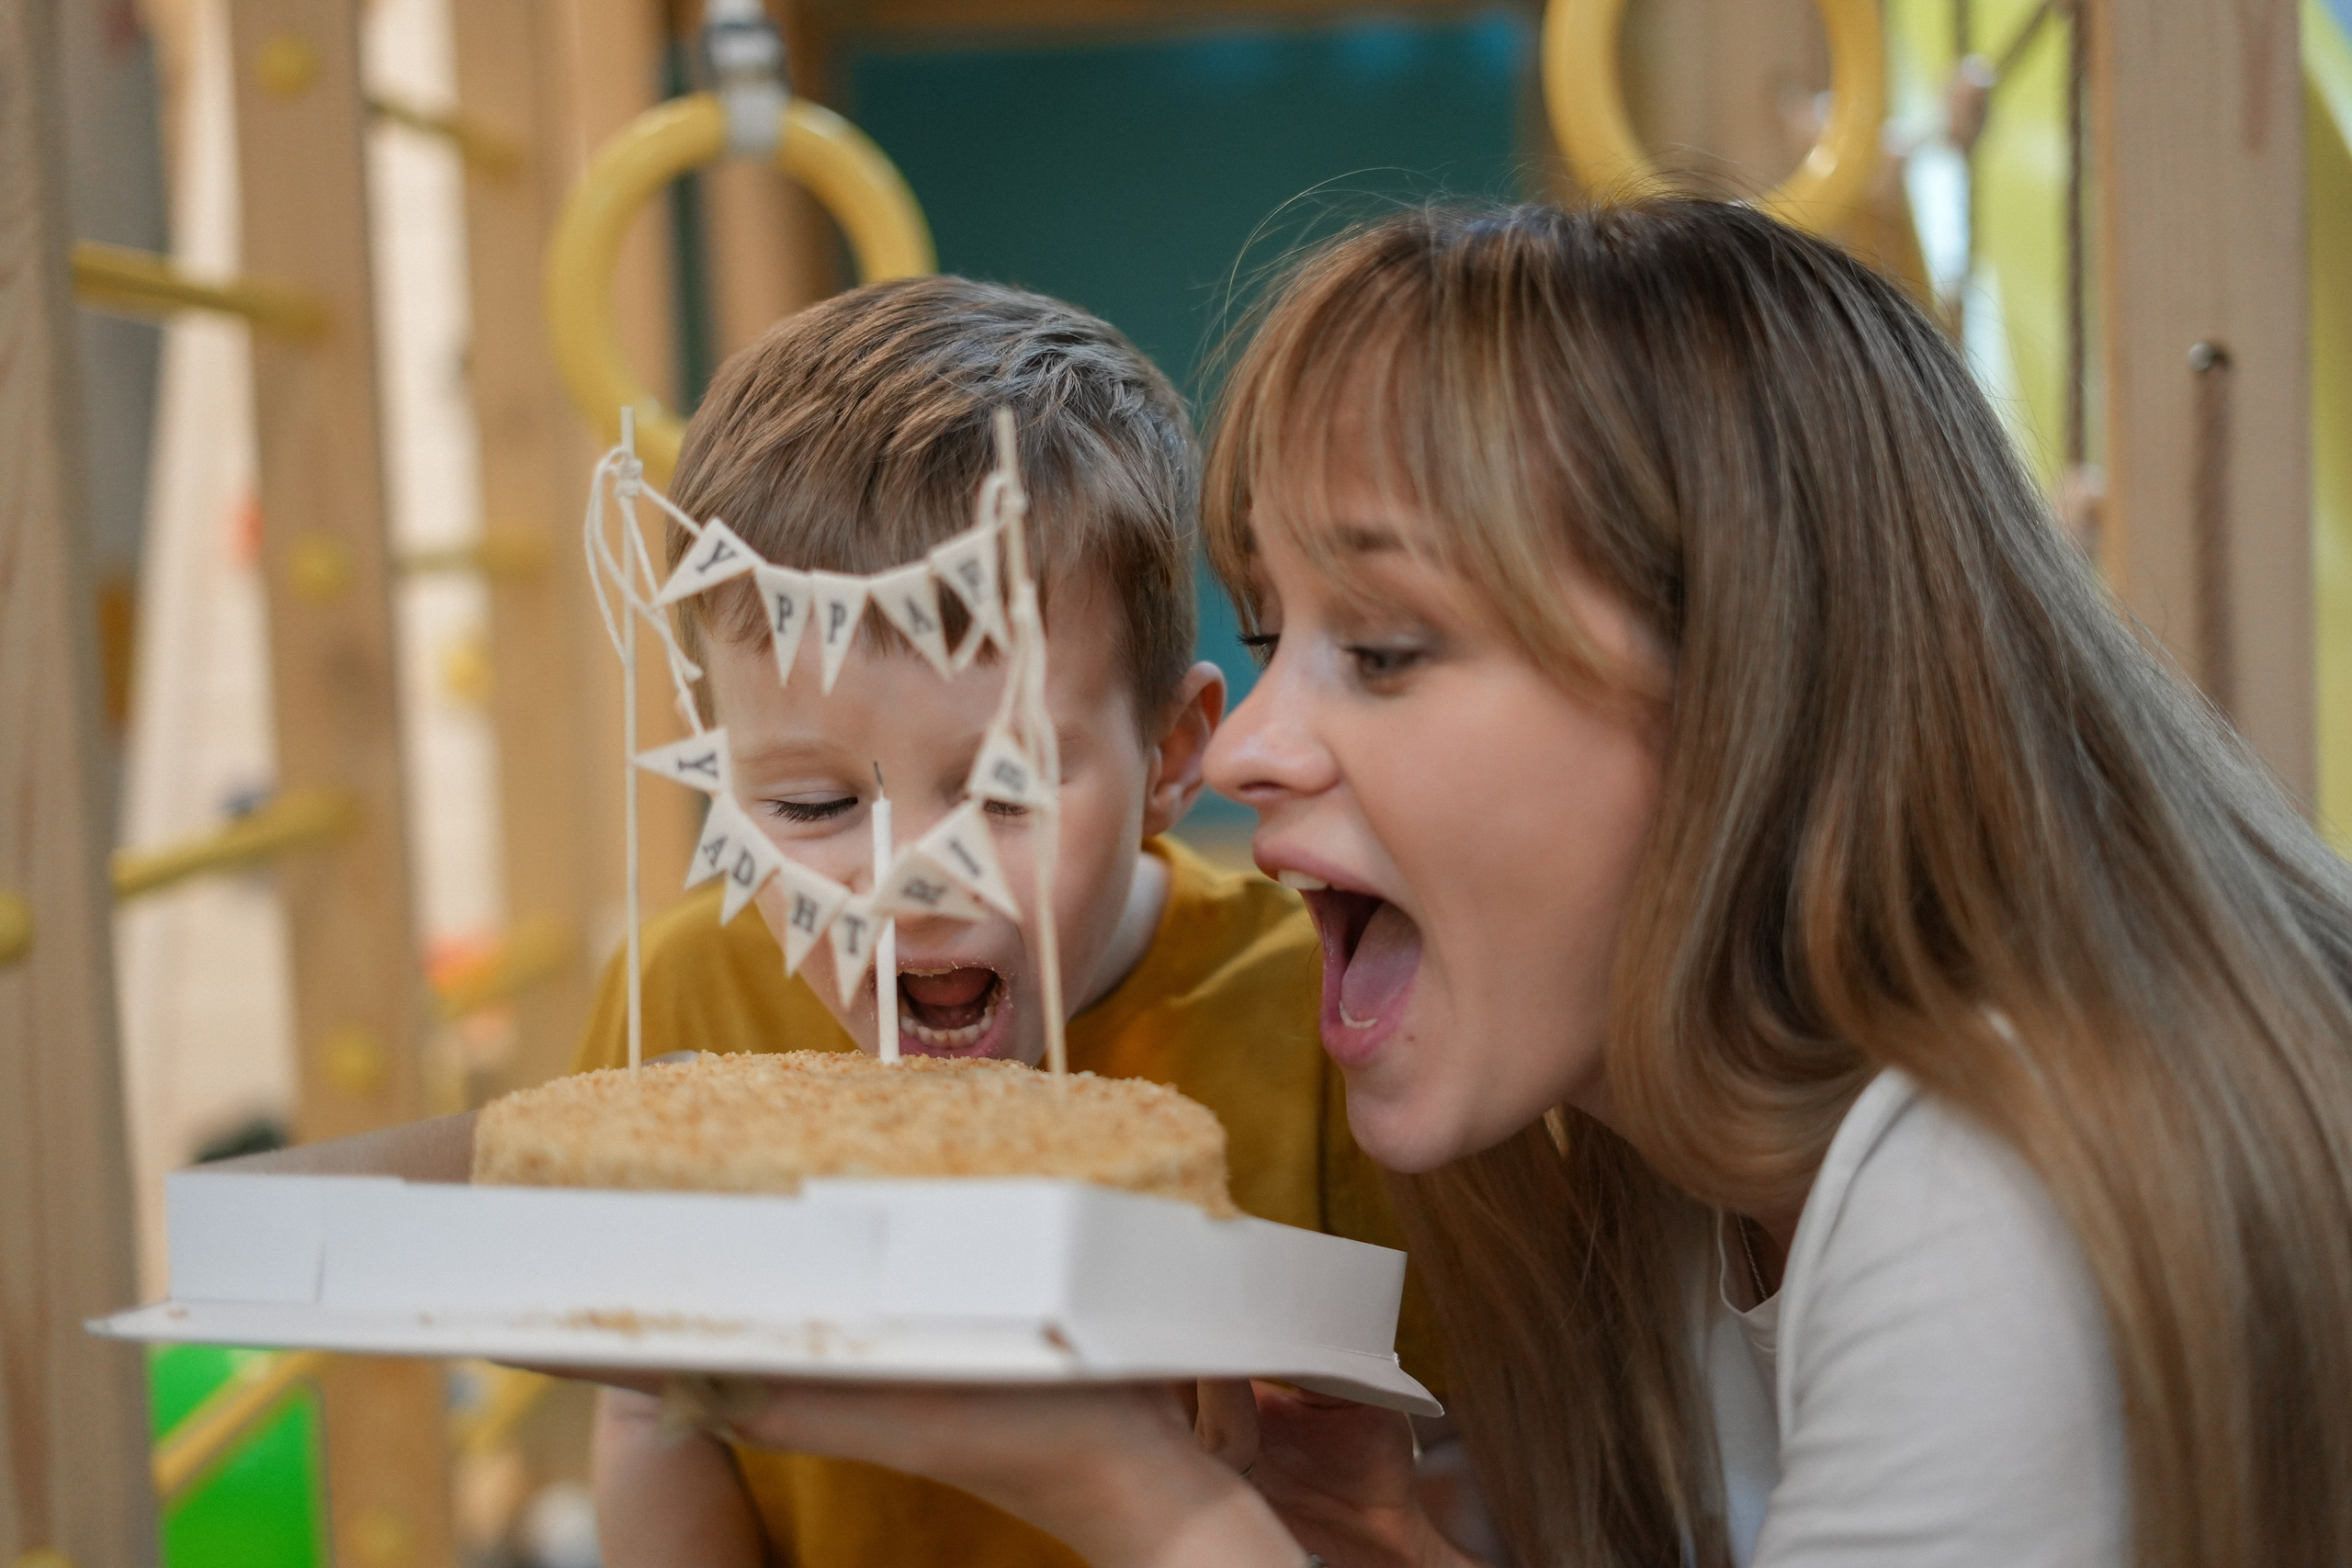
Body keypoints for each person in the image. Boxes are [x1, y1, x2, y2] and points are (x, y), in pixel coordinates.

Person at [601, 198, 2352, 1568]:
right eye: (1276, 631)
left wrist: (1131, 1500)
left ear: (1746, 679)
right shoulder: (1669, 1194)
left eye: (1386, 646)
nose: (1258, 751)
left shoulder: (1994, 1206)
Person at [576, 275, 1446, 1568]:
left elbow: (1436, 1479)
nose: (908, 878)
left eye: (999, 789)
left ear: (1170, 753)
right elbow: (648, 1411)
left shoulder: (1321, 1025)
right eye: (811, 803)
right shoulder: (683, 1011)